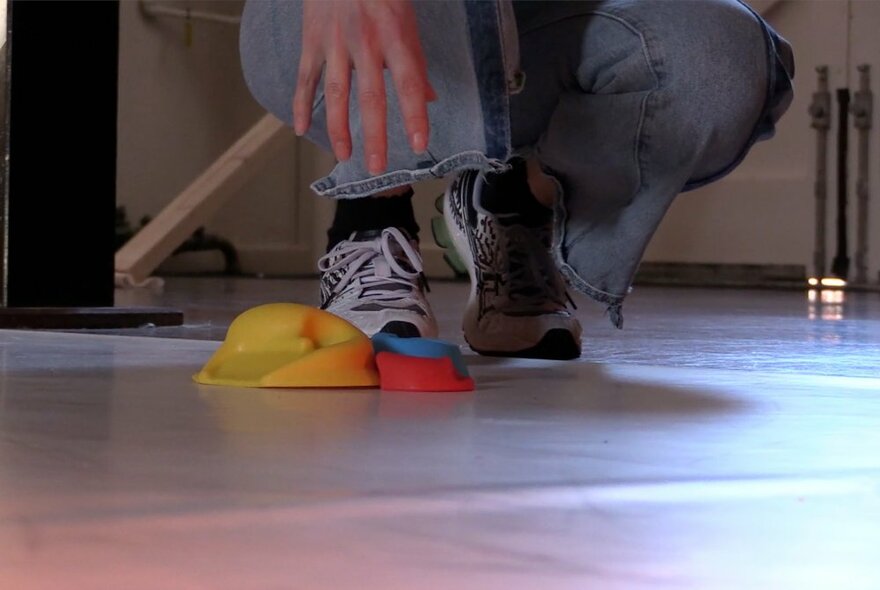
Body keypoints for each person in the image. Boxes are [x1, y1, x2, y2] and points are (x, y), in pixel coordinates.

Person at [239, 0, 794, 360]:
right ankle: (370, 220)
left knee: (715, 62)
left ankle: (509, 207)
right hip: (319, 16)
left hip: (532, 30)